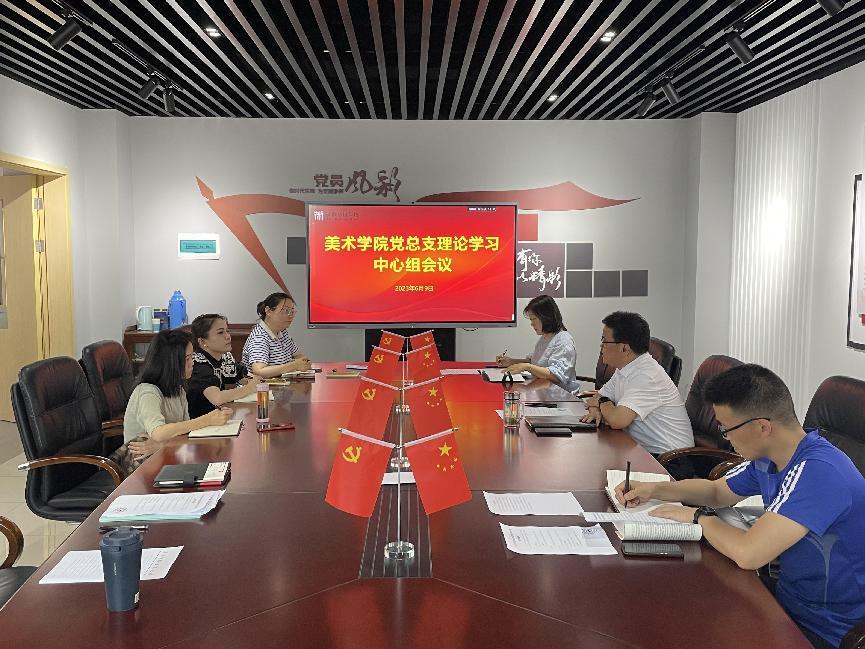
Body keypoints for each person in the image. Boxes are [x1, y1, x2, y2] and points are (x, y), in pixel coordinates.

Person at [616, 364, 865, 649]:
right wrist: (656, 489)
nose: (726, 437)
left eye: (727, 429)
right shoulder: (771, 457)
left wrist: (699, 517)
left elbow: (749, 554)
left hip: (829, 629)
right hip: (789, 600)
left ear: (762, 427)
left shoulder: (819, 472)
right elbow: (716, 492)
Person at [114, 329, 232, 473]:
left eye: (192, 357)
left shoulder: (178, 388)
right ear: (171, 362)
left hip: (169, 458)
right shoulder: (147, 392)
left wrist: (163, 445)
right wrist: (207, 420)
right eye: (187, 359)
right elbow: (158, 433)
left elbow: (183, 433)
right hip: (144, 469)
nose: (192, 363)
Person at [581, 311, 694, 458]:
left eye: (604, 340)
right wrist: (596, 410)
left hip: (670, 459)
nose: (601, 346)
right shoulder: (625, 368)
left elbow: (616, 420)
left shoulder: (647, 376)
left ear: (624, 348)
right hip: (641, 449)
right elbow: (596, 398)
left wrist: (601, 402)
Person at [495, 295, 579, 391]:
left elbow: (556, 375)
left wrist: (527, 367)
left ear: (546, 317)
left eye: (534, 319)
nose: (531, 324)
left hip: (560, 395)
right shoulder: (545, 338)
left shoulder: (564, 340)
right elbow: (535, 362)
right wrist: (511, 362)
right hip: (542, 390)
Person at [187, 313, 259, 418]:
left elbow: (243, 377)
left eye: (227, 331)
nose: (228, 336)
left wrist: (253, 381)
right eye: (220, 332)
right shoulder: (198, 364)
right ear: (202, 341)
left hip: (220, 417)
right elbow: (217, 398)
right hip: (200, 422)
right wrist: (249, 388)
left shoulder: (223, 357)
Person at [242, 291, 312, 379]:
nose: (290, 316)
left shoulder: (282, 332)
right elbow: (259, 371)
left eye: (292, 311)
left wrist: (304, 362)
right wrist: (294, 365)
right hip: (262, 387)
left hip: (282, 384)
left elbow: (298, 356)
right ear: (268, 311)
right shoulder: (259, 337)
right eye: (286, 311)